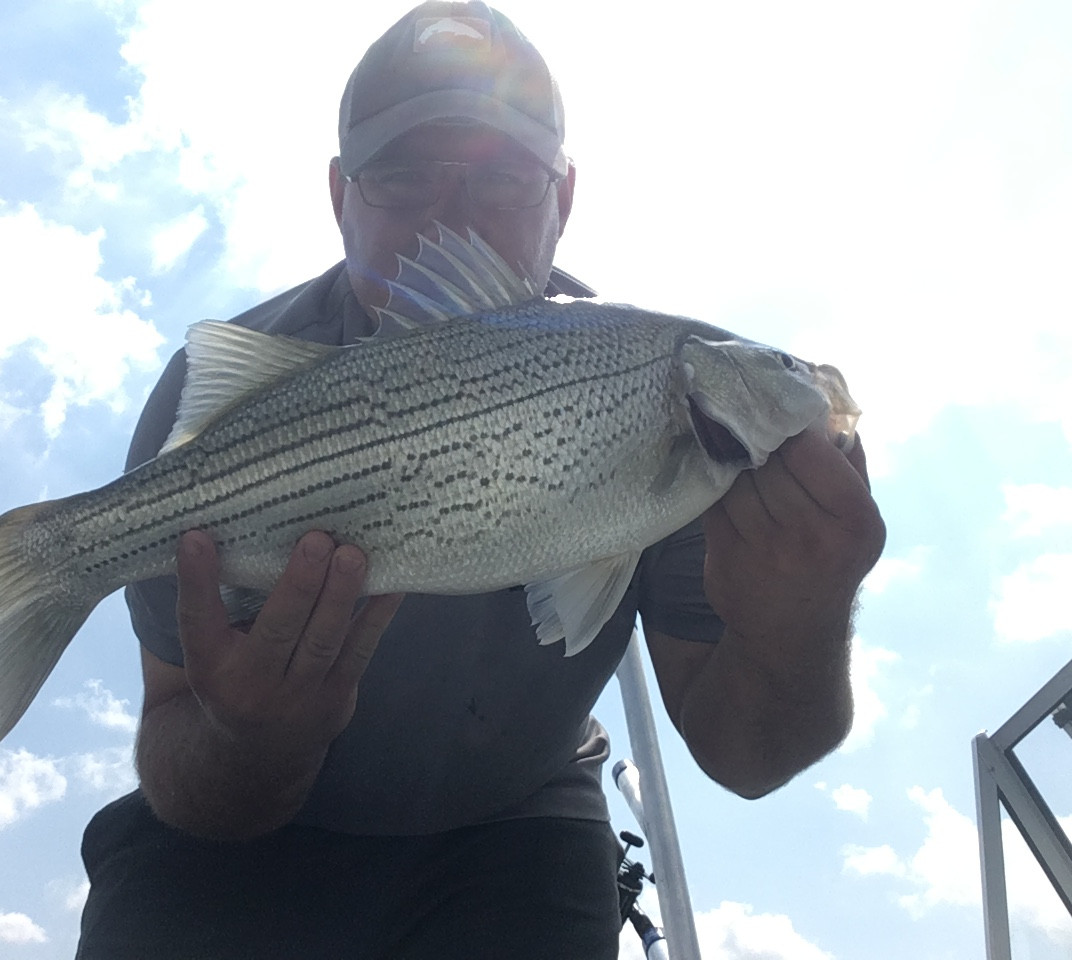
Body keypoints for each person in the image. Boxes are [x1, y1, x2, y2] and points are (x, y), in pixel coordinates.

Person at [75, 3, 886, 958]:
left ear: (564, 197)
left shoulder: (669, 412)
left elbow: (747, 760)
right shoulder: (222, 399)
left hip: (518, 815)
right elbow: (176, 747)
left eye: (503, 178)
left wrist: (798, 621)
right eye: (402, 175)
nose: (451, 219)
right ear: (340, 195)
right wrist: (251, 739)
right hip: (238, 827)